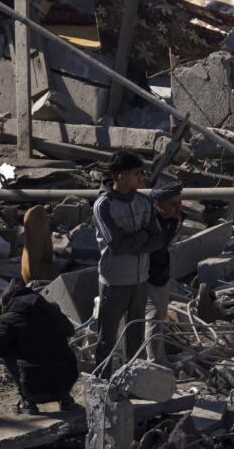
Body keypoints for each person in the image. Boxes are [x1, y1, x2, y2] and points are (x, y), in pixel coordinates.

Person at [91, 151, 166, 371]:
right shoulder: (103, 206)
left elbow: (158, 240)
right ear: (121, 176)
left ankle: (132, 382)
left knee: (135, 337)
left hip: (140, 281)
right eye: (136, 173)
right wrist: (143, 237)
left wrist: (135, 241)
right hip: (114, 282)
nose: (140, 178)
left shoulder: (143, 202)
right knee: (107, 338)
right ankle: (102, 382)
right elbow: (117, 246)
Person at [0, 279, 79, 414]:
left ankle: (28, 402)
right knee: (57, 346)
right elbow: (70, 331)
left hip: (34, 387)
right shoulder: (52, 308)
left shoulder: (8, 319)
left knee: (6, 349)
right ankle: (66, 399)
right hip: (66, 381)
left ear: (8, 302)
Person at [143, 178, 183, 360]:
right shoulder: (149, 224)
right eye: (173, 204)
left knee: (158, 320)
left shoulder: (173, 220)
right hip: (146, 279)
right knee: (153, 319)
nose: (178, 207)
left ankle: (159, 360)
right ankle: (154, 363)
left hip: (161, 276)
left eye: (180, 202)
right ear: (157, 204)